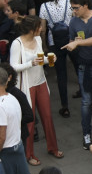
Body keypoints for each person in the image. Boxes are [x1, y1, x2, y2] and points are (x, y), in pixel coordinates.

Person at [10, 15, 61, 163]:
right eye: (39, 27)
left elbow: (39, 59)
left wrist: (49, 59)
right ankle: (29, 154)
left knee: (47, 116)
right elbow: (13, 67)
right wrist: (30, 63)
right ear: (32, 29)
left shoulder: (38, 39)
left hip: (41, 82)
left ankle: (53, 147)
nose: (41, 29)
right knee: (29, 120)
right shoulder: (17, 43)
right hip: (27, 85)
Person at [64, 0, 92, 149]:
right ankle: (86, 134)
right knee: (86, 101)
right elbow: (72, 41)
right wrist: (73, 43)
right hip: (85, 64)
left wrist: (78, 44)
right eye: (72, 8)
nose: (74, 11)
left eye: (76, 8)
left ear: (85, 5)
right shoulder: (73, 22)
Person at [0, 66, 32, 174]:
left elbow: (1, 137)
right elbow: (7, 121)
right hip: (18, 147)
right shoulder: (12, 98)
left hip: (5, 153)